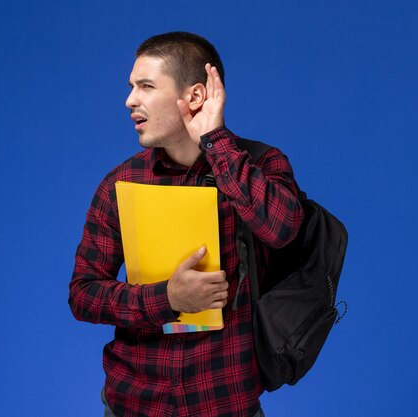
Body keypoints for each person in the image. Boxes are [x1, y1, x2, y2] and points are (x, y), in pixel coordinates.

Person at [69, 31, 304, 417]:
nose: (130, 100)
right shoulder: (120, 184)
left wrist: (216, 141)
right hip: (134, 403)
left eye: (145, 86)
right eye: (131, 87)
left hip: (225, 402)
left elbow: (283, 229)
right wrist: (168, 299)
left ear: (195, 97)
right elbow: (83, 294)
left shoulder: (260, 166)